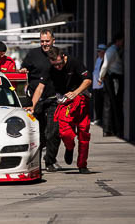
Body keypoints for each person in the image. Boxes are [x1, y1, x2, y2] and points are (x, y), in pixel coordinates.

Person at [30, 46, 92, 174]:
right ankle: (69, 147)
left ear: (63, 57)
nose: (58, 67)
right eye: (55, 65)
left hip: (81, 98)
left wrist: (75, 93)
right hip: (63, 102)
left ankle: (82, 165)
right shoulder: (49, 67)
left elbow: (88, 80)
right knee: (64, 132)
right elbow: (40, 88)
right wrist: (32, 105)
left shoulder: (74, 62)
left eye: (60, 64)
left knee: (83, 133)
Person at [19, 28, 61, 172]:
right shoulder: (33, 54)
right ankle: (37, 160)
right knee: (38, 132)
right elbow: (23, 67)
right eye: (42, 41)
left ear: (53, 41)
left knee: (54, 132)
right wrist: (23, 69)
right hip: (35, 99)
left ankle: (50, 160)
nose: (44, 44)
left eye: (47, 41)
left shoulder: (58, 54)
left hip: (53, 98)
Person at [98, 32, 124, 137]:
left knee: (110, 104)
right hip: (113, 79)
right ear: (118, 41)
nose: (123, 43)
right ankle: (111, 129)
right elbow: (105, 65)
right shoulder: (112, 50)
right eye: (122, 40)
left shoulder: (114, 50)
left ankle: (110, 129)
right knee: (113, 104)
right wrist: (101, 77)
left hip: (112, 78)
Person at [91, 44, 107, 126]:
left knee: (103, 104)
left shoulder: (104, 60)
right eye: (97, 51)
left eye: (100, 51)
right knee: (97, 103)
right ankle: (98, 119)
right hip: (96, 86)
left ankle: (102, 120)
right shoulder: (98, 59)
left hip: (102, 86)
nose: (98, 53)